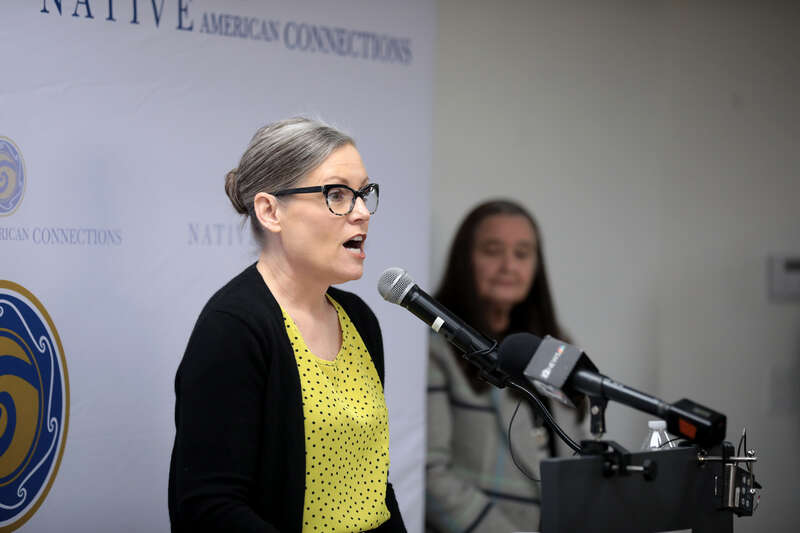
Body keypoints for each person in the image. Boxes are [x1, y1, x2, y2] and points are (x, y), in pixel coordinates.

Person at [168, 117, 405, 533]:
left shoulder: (359, 320)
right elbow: (208, 508)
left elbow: (371, 489)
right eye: (337, 194)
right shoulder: (234, 328)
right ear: (270, 211)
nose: (363, 213)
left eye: (364, 194)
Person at [425, 200, 585, 532]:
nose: (508, 266)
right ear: (464, 261)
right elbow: (430, 473)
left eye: (523, 253)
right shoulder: (434, 347)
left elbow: (577, 446)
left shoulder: (554, 346)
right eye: (492, 250)